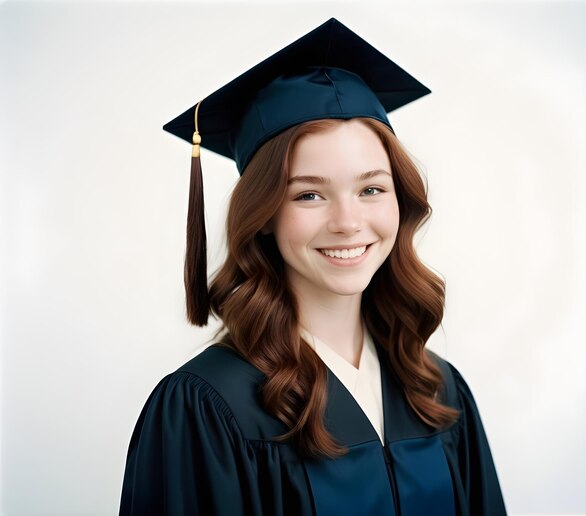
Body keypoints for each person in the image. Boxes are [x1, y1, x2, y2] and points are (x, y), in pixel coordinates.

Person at [119, 18, 507, 516]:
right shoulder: (208, 407)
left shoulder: (437, 389)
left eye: (371, 189)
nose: (348, 222)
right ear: (263, 217)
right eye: (309, 194)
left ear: (401, 201)